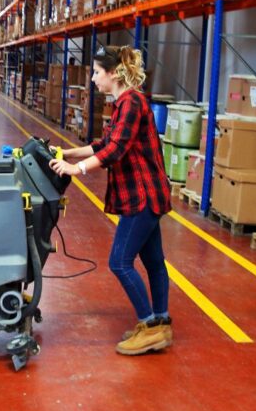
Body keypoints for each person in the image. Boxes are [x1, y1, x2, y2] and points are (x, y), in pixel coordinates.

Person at [49, 46, 173, 355]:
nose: (92, 79)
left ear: (114, 73)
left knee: (119, 262)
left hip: (142, 196)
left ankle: (150, 327)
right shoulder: (123, 103)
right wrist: (64, 153)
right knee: (155, 263)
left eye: (96, 72)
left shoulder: (132, 102)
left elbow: (114, 151)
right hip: (146, 193)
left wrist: (75, 169)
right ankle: (161, 322)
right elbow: (104, 144)